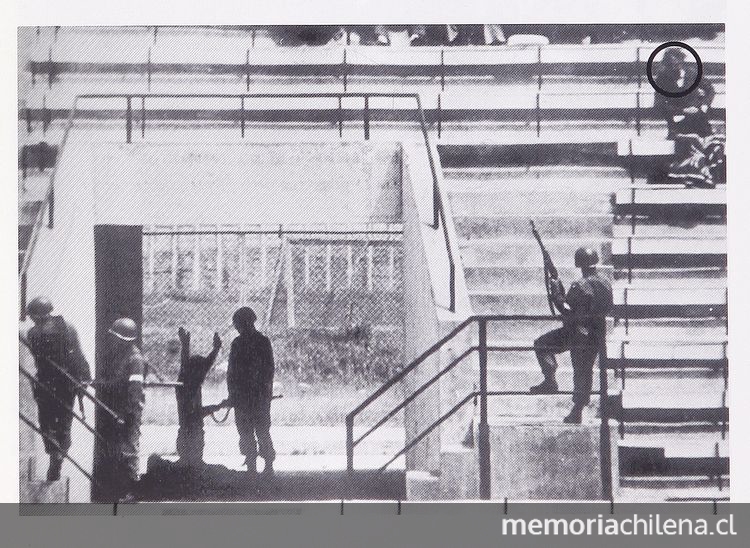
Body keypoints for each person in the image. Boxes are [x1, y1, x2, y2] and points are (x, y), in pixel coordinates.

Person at [529, 247, 613, 424]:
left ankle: (550, 380)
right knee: (584, 372)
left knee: (542, 345)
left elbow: (566, 310)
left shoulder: (579, 286)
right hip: (596, 335)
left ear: (580, 264)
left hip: (576, 334)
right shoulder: (606, 283)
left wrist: (556, 293)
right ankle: (577, 410)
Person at [25, 296, 91, 481]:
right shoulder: (68, 327)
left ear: (36, 316)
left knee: (46, 422)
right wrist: (85, 379)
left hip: (45, 384)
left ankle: (54, 450)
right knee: (64, 423)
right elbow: (78, 353)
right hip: (67, 384)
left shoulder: (32, 334)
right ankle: (59, 456)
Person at [98, 317, 146, 500]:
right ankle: (119, 489)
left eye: (115, 337)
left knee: (129, 449)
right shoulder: (122, 356)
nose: (112, 340)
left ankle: (132, 490)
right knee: (117, 449)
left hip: (129, 411)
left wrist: (126, 414)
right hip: (118, 408)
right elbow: (117, 381)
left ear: (123, 338)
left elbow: (134, 390)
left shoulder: (134, 359)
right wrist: (101, 384)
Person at [227, 307, 276, 478]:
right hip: (259, 396)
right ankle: (265, 464)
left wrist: (232, 394)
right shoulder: (263, 341)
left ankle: (253, 464)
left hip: (245, 396)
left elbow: (231, 373)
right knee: (261, 430)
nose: (237, 327)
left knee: (247, 430)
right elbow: (269, 369)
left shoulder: (238, 344)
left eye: (238, 324)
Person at [175, 327, 222, 465]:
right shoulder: (185, 387)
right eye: (202, 373)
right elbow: (196, 414)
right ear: (196, 373)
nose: (204, 375)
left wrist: (216, 349)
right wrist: (217, 407)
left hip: (188, 436)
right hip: (191, 438)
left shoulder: (187, 382)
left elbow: (198, 365)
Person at [653, 47, 715, 139]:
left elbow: (710, 90)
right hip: (677, 121)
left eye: (677, 64)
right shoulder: (662, 79)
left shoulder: (693, 74)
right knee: (687, 139)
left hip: (698, 118)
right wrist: (682, 110)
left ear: (682, 61)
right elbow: (659, 104)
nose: (674, 68)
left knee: (709, 139)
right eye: (670, 66)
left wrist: (704, 106)